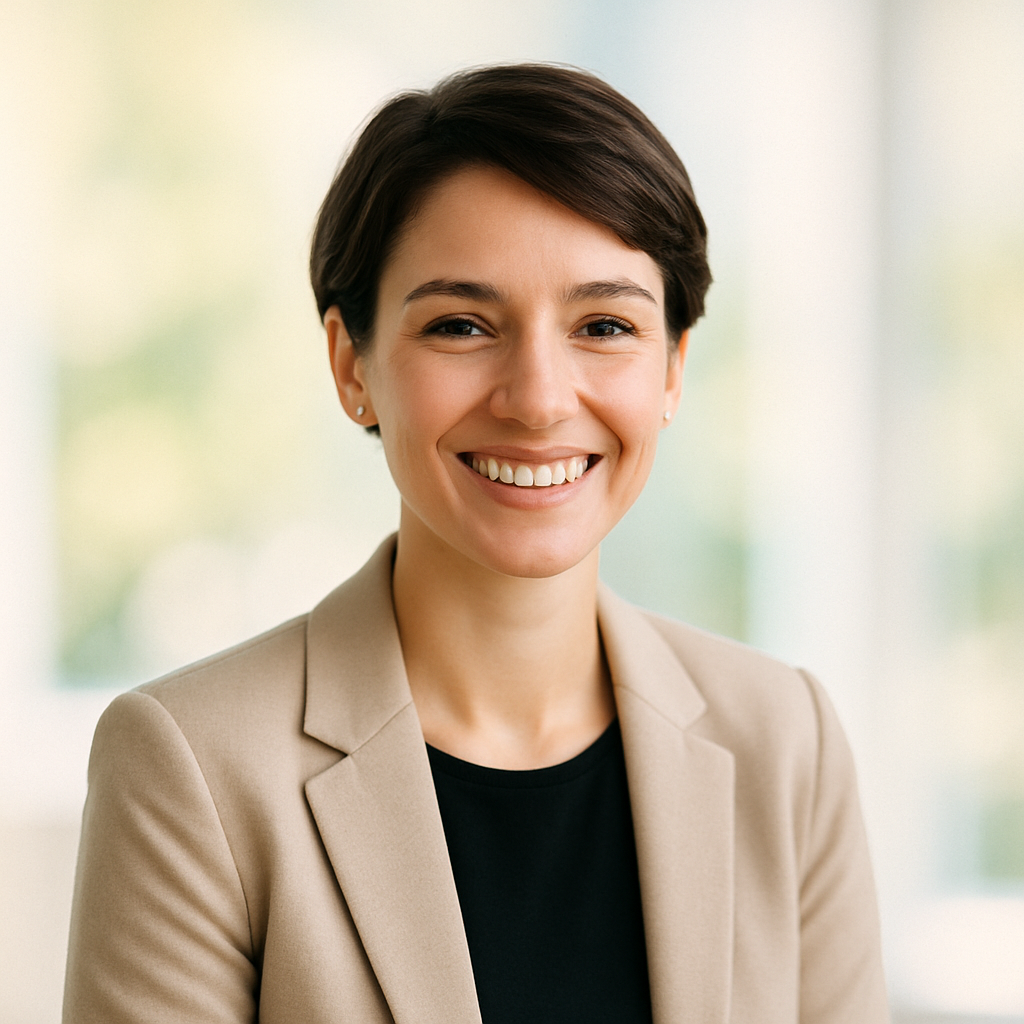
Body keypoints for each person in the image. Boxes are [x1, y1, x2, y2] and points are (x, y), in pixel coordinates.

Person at [63, 64, 890, 1023]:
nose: (538, 399)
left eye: (605, 325)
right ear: (352, 365)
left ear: (672, 369)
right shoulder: (194, 767)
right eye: (461, 325)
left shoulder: (786, 740)